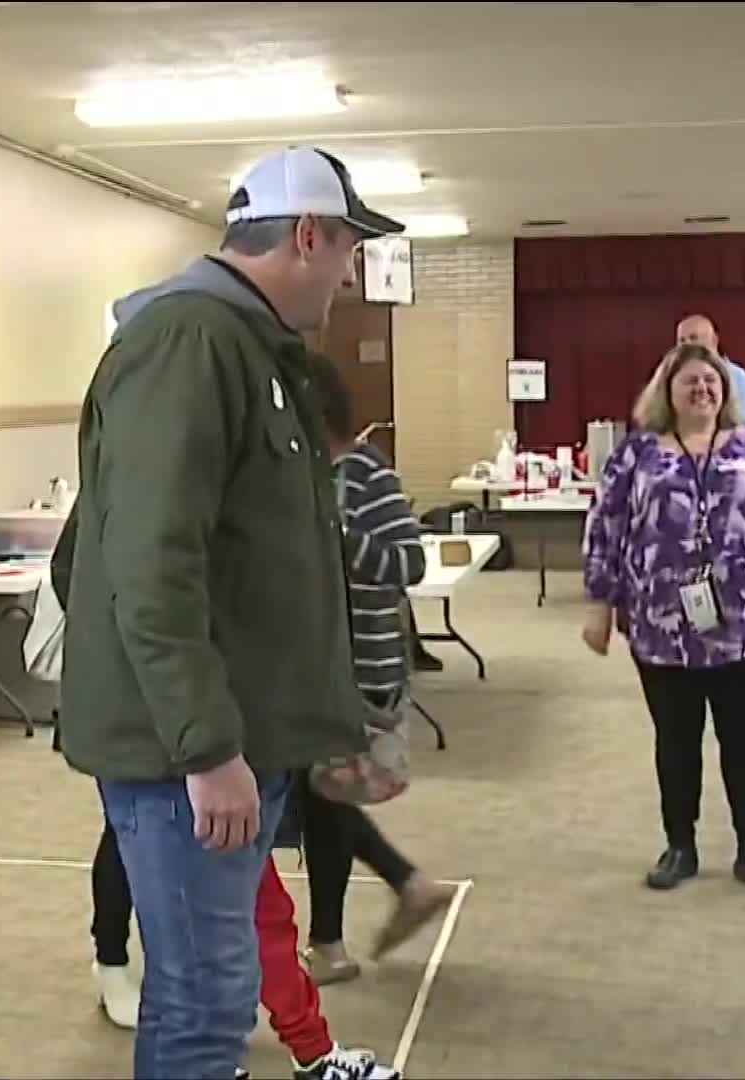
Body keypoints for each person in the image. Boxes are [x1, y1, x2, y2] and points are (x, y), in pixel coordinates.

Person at [52, 145, 403, 1080]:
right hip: (185, 756)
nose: (348, 270)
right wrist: (206, 746)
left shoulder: (251, 350)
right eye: (347, 247)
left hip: (232, 737)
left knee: (216, 984)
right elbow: (151, 561)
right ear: (304, 234)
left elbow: (256, 561)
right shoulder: (190, 343)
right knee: (205, 1004)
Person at [581, 343, 745, 897]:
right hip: (659, 625)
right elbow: (606, 528)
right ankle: (679, 845)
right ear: (667, 391)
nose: (701, 389)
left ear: (725, 391)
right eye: (689, 381)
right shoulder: (635, 455)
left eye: (711, 381)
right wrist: (599, 602)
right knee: (676, 740)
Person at [297, 356, 452, 986]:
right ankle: (371, 911)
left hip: (361, 668)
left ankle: (344, 932)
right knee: (320, 799)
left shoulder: (364, 475)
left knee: (324, 798)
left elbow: (409, 564)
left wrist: (335, 534)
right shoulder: (302, 477)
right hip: (313, 664)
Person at [79, 814, 402, 1080]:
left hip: (195, 778)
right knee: (217, 926)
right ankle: (221, 1059)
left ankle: (297, 1052)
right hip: (186, 779)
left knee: (249, 917)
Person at [675, 314, 745, 426]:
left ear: (714, 341)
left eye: (693, 338)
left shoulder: (739, 381)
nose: (687, 346)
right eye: (682, 341)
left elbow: (744, 433)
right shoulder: (669, 379)